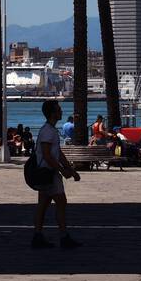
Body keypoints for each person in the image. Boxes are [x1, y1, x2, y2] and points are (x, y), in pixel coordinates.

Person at [32, 100, 82, 249]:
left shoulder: (50, 130)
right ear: (52, 113)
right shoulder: (48, 131)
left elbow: (58, 153)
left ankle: (38, 236)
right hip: (49, 174)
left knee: (43, 205)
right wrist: (63, 170)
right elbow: (47, 155)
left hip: (46, 173)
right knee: (61, 203)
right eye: (58, 110)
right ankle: (63, 236)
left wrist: (70, 169)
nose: (61, 112)